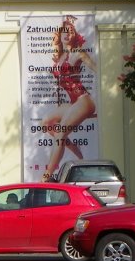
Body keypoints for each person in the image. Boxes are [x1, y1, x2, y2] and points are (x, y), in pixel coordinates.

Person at [40, 16, 98, 182]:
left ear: (74, 35)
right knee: (46, 123)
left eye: (70, 31)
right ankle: (77, 151)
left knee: (60, 134)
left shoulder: (78, 53)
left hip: (83, 100)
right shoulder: (61, 55)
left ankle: (46, 177)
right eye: (64, 31)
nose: (67, 34)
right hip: (74, 102)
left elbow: (97, 70)